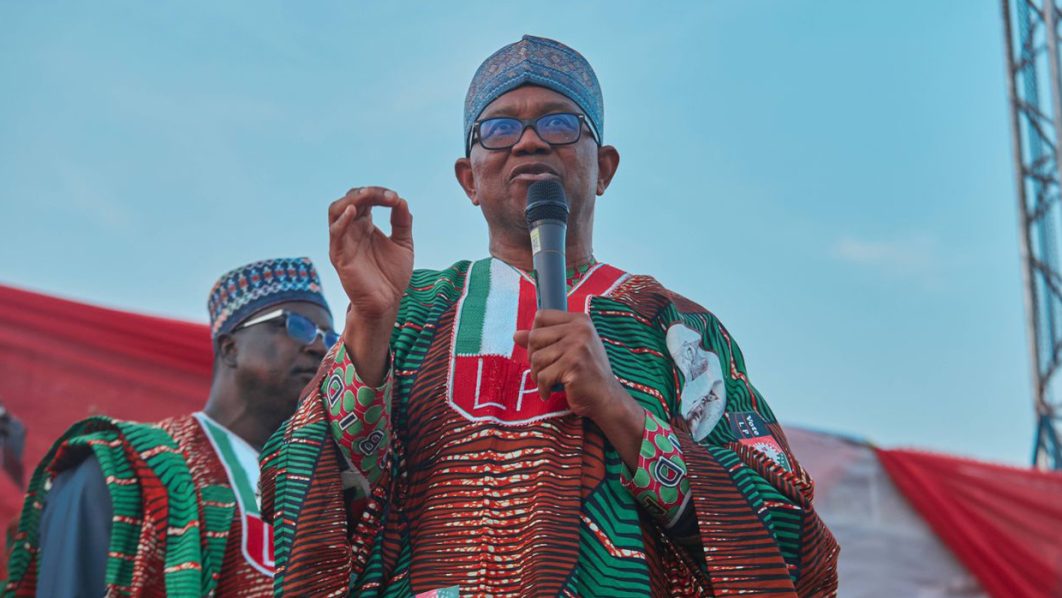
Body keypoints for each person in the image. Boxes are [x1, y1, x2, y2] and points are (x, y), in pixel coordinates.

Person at [261, 36, 839, 597]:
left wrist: (619, 410)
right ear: (469, 179)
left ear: (604, 168)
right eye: (500, 129)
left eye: (559, 124)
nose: (529, 142)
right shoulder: (411, 309)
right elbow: (299, 497)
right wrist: (369, 321)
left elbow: (790, 544)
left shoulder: (675, 327)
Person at [4, 257, 336, 597]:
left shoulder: (331, 498)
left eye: (330, 338)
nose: (318, 348)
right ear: (230, 348)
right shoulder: (122, 470)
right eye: (297, 325)